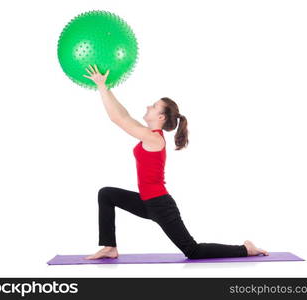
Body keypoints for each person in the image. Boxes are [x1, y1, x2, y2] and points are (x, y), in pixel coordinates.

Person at [82, 64, 269, 260]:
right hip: (146, 201)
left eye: (153, 107)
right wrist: (106, 88)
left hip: (160, 205)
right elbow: (124, 115)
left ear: (161, 117)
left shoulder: (154, 139)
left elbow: (117, 118)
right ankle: (110, 247)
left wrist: (101, 87)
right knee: (106, 194)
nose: (148, 106)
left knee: (193, 251)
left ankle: (245, 249)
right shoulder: (149, 135)